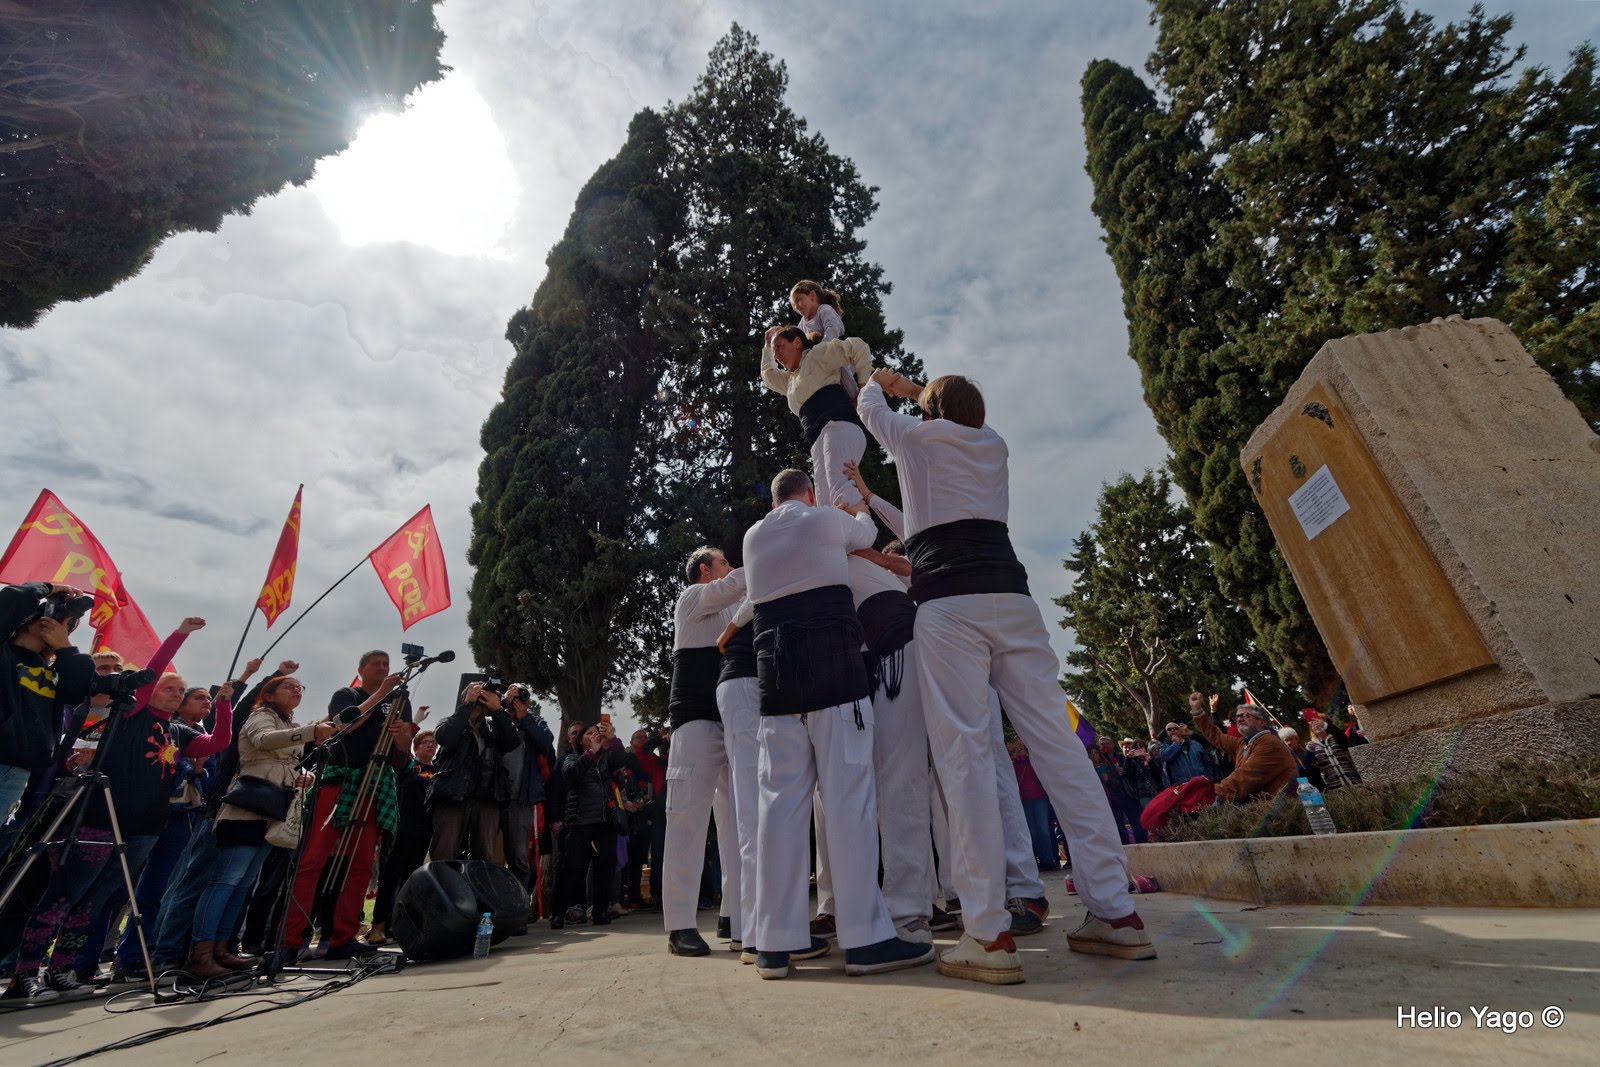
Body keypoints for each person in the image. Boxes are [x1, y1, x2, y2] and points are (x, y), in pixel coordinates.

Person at [856, 372, 1153, 984]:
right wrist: (923, 394)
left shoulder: (916, 439)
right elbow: (925, 484)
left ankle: (988, 933)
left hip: (949, 608)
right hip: (1014, 602)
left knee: (962, 753)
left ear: (930, 411)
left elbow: (866, 406)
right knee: (1059, 748)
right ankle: (1116, 913)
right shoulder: (993, 443)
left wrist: (886, 383)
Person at [741, 468, 932, 980]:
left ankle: (773, 945)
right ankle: (866, 939)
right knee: (848, 800)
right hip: (833, 672)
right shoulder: (825, 519)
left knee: (778, 807)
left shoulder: (752, 537)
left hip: (775, 682)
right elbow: (867, 537)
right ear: (808, 494)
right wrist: (856, 509)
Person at [3, 617, 228, 1002]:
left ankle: (62, 969)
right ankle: (25, 972)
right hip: (101, 819)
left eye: (180, 690)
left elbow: (216, 742)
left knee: (96, 900)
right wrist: (180, 635)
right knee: (64, 894)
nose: (175, 694)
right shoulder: (132, 714)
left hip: (145, 826)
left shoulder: (179, 731)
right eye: (168, 688)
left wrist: (224, 706)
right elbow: (153, 670)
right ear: (149, 693)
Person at [188, 675, 331, 978]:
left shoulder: (286, 724)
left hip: (271, 810)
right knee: (227, 880)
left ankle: (223, 949)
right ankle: (201, 953)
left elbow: (284, 763)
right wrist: (309, 732)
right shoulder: (261, 716)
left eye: (300, 687)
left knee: (243, 884)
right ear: (269, 694)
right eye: (288, 686)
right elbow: (263, 742)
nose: (296, 690)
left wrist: (306, 775)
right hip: (246, 810)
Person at [277, 651, 412, 963]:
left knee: (361, 864)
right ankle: (288, 940)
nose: (383, 668)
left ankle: (344, 937)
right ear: (361, 669)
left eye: (386, 664)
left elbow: (401, 755)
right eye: (376, 664)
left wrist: (403, 736)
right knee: (313, 860)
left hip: (374, 785)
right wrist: (380, 694)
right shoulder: (347, 694)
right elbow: (344, 727)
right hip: (338, 782)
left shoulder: (399, 703)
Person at [662, 547, 746, 957]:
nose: (730, 568)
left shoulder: (730, 610)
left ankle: (736, 916)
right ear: (704, 570)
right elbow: (741, 583)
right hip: (695, 720)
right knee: (687, 821)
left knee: (735, 823)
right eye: (723, 562)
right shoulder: (692, 597)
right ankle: (679, 924)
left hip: (730, 719)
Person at [1, 582, 96, 857]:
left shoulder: (58, 671)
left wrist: (65, 647)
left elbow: (78, 690)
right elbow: (9, 599)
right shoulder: (4, 652)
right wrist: (49, 588)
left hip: (18, 774)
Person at [760, 325, 874, 508]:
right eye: (774, 352)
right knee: (823, 501)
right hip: (818, 440)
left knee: (840, 487)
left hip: (839, 426)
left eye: (779, 347)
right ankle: (839, 536)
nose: (776, 355)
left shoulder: (817, 355)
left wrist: (864, 389)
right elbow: (767, 375)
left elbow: (858, 347)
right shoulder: (789, 380)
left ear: (797, 342)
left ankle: (863, 529)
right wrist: (767, 346)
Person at [428, 682, 518, 863]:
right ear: (464, 698)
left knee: (483, 857)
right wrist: (467, 706)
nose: (481, 697)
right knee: (444, 853)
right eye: (476, 694)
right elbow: (446, 737)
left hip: (488, 798)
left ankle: (476, 891)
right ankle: (440, 890)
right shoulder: (449, 721)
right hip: (452, 795)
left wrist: (498, 710)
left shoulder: (493, 727)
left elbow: (512, 741)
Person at [367, 729, 436, 947]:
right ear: (416, 747)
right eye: (425, 742)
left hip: (423, 832)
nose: (430, 746)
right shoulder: (409, 767)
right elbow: (401, 756)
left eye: (433, 743)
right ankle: (378, 925)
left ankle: (401, 924)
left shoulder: (438, 770)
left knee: (410, 880)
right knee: (389, 878)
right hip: (399, 828)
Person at [554, 722, 621, 929]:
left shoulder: (605, 759)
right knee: (571, 867)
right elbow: (571, 773)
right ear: (581, 740)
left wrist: (613, 740)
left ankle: (600, 911)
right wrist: (591, 753)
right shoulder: (572, 758)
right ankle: (558, 913)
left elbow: (621, 764)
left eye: (597, 732)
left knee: (606, 866)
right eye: (589, 734)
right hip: (580, 821)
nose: (595, 736)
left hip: (604, 822)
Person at [500, 685, 556, 911]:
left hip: (521, 798)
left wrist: (524, 717)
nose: (517, 698)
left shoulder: (535, 722)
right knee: (487, 856)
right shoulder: (495, 717)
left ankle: (517, 910)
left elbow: (546, 744)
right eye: (512, 693)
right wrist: (501, 707)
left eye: (522, 695)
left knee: (520, 859)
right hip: (492, 796)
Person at [1190, 693, 1299, 802]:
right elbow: (1216, 737)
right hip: (1261, 810)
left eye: (1245, 716)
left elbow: (1243, 778)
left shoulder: (1269, 743)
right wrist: (1197, 711)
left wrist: (1206, 793)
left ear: (1262, 722)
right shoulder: (1242, 743)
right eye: (1237, 717)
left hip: (1281, 812)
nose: (1239, 719)